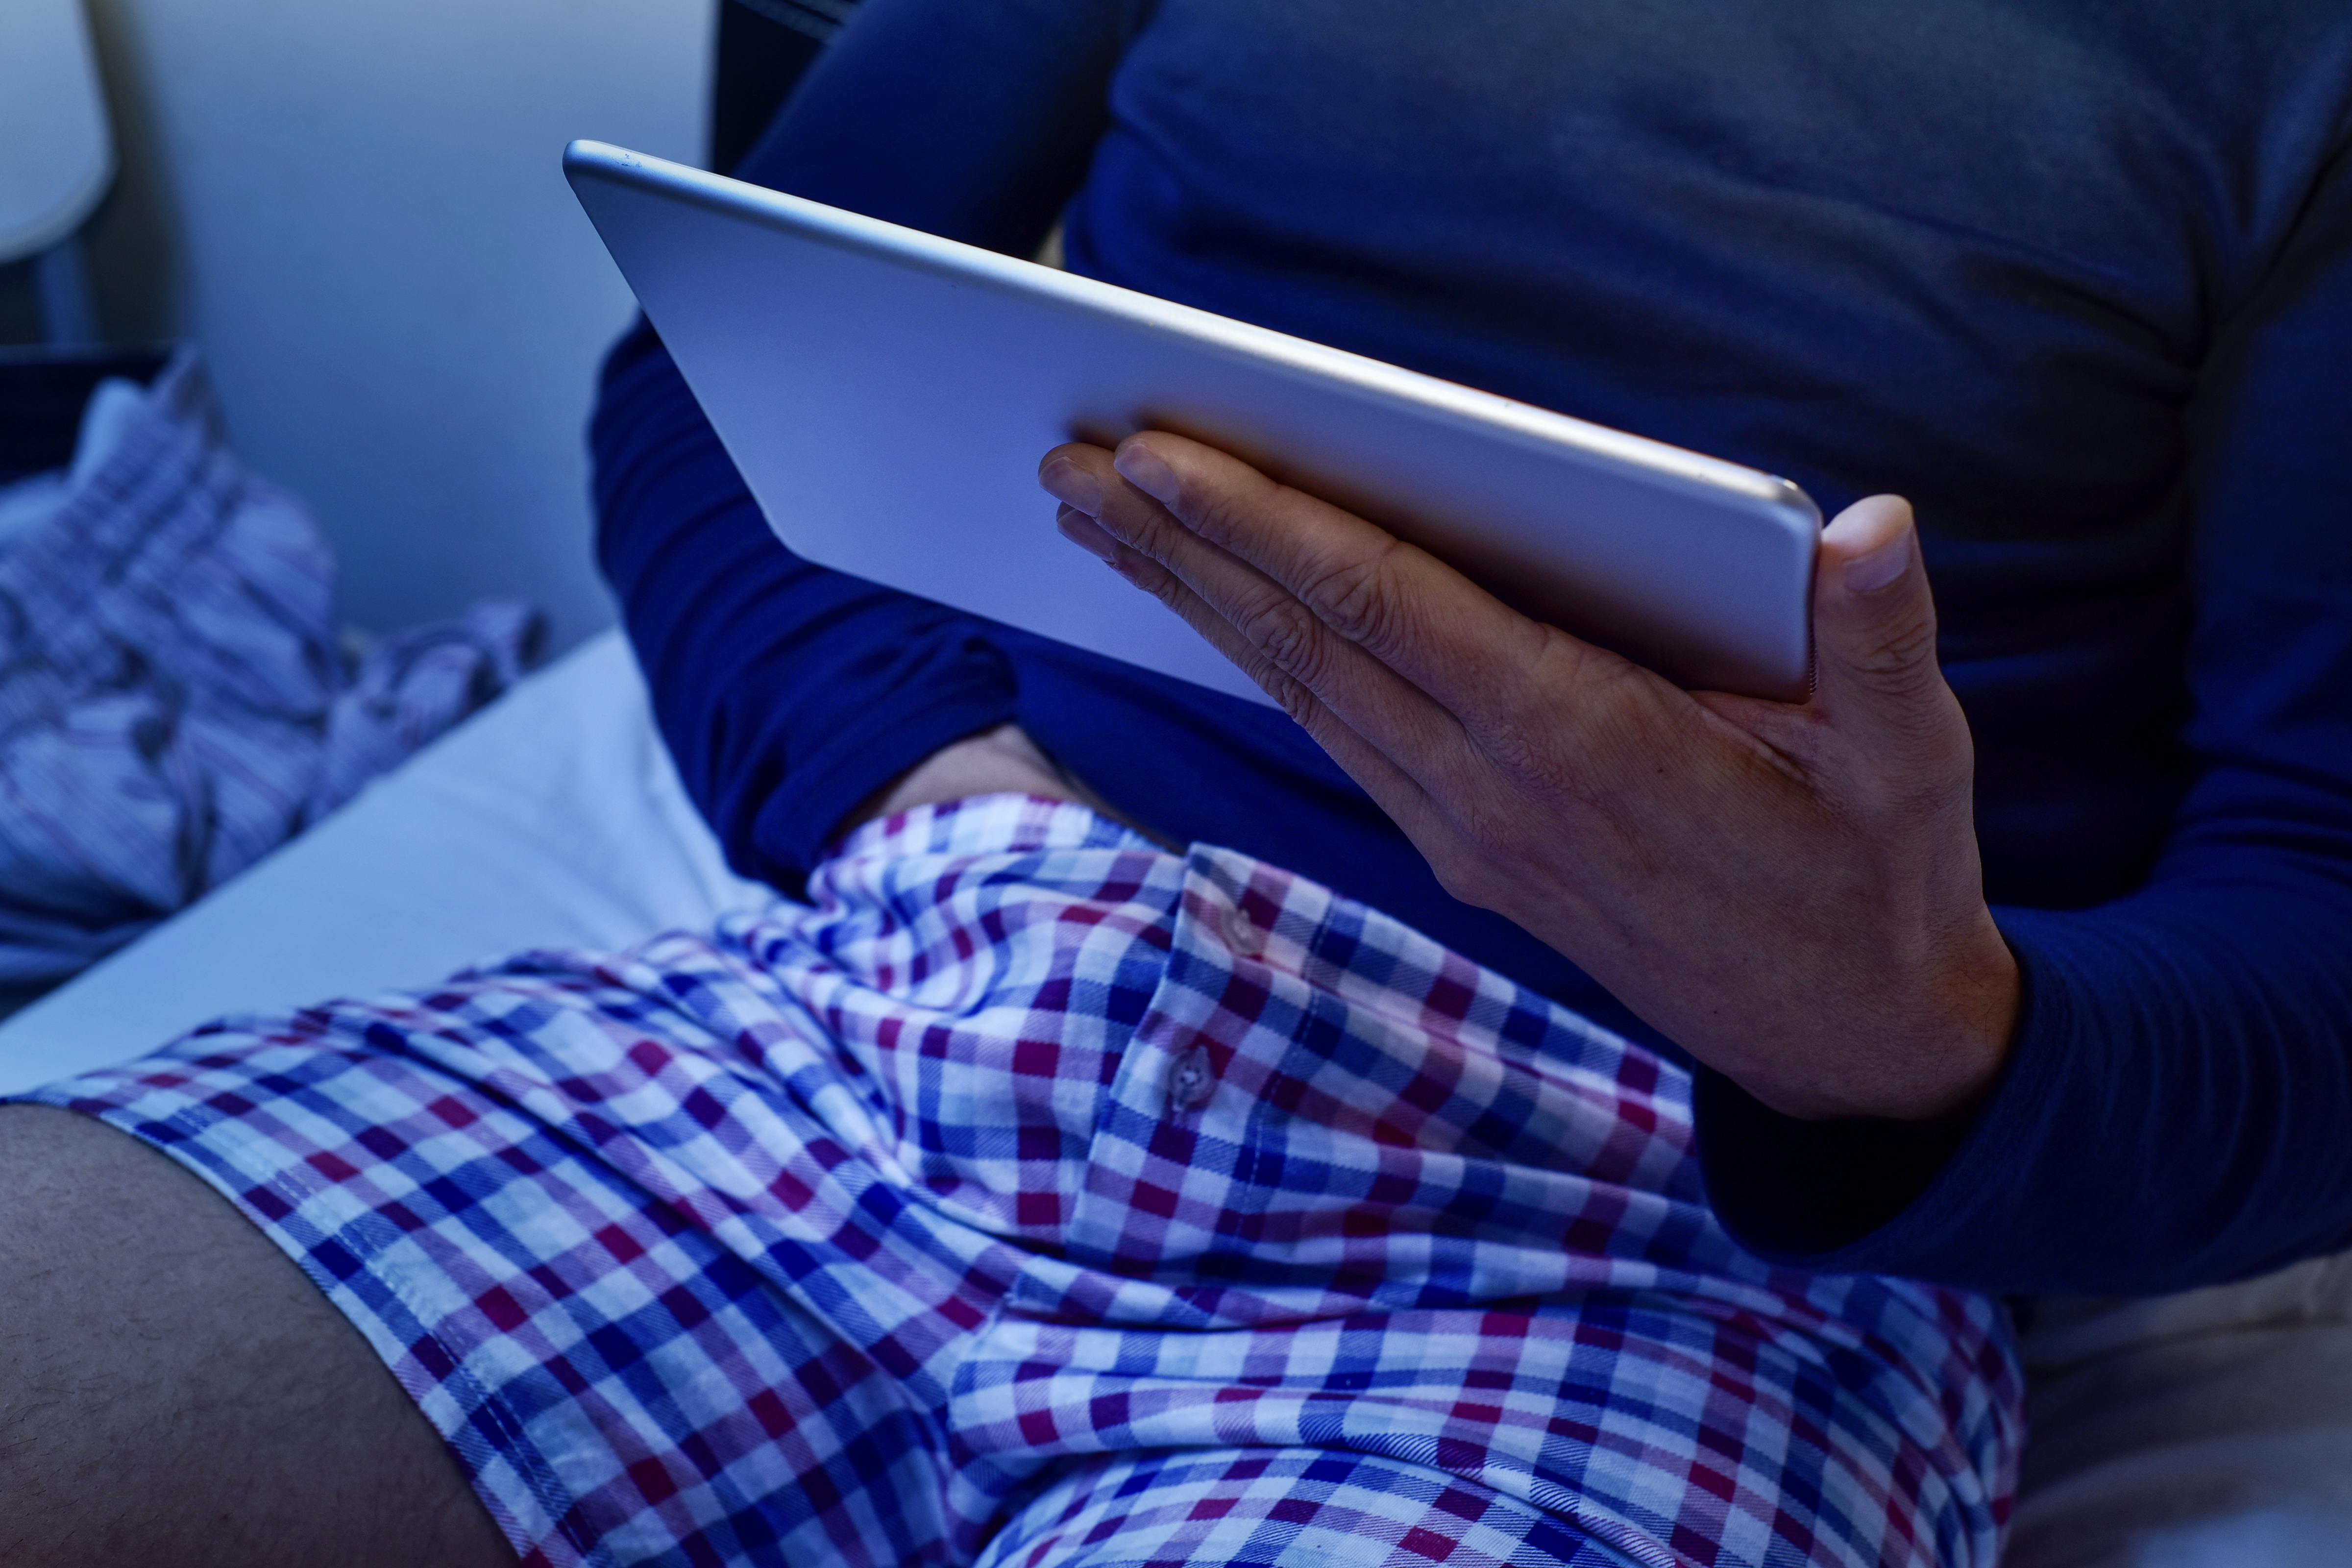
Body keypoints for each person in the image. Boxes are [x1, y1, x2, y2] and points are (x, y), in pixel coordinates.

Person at [1, 1, 2346, 1565]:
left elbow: (2319, 915)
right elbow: (720, 357)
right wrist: (914, 782)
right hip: (940, 976)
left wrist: (1909, 1028)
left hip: (1655, 1241)